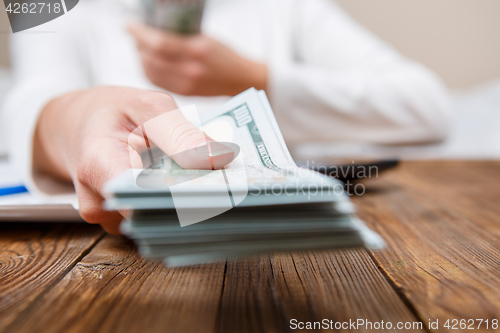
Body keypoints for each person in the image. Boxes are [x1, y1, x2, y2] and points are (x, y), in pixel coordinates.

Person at [2, 0, 451, 233]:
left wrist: (253, 78)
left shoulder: (287, 7)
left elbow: (428, 107)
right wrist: (76, 118)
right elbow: (33, 96)